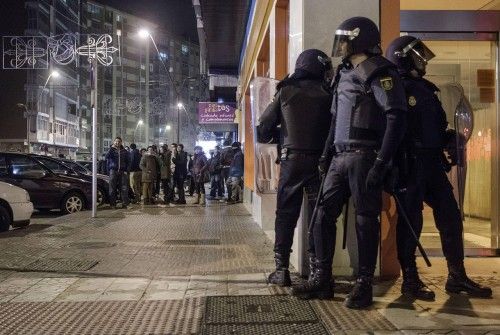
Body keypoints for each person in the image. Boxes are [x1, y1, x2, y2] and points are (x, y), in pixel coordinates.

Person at [292, 17, 407, 309]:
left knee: (366, 220)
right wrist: (325, 155)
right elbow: (335, 119)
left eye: (345, 39)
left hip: (365, 156)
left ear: (359, 39)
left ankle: (364, 284)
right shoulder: (343, 74)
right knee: (321, 215)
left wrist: (382, 161)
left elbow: (396, 117)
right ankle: (322, 279)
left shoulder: (381, 71)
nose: (340, 45)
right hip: (339, 157)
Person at [385, 36, 492, 299]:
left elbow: (435, 127)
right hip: (409, 164)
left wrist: (450, 138)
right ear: (403, 57)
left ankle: (457, 276)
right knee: (412, 222)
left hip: (432, 163)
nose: (423, 61)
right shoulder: (395, 88)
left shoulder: (427, 89)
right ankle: (410, 280)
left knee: (451, 216)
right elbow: (392, 128)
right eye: (417, 55)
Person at [256, 49, 333, 287]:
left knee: (286, 216)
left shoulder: (285, 91)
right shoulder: (329, 92)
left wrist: (283, 135)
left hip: (291, 162)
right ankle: (317, 272)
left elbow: (262, 130)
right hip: (321, 163)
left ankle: (281, 270)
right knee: (319, 218)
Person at [105, 137, 130, 209]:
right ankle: (113, 204)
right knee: (112, 188)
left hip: (122, 171)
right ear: (114, 142)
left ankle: (125, 204)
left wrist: (126, 170)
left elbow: (128, 161)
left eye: (119, 141)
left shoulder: (124, 151)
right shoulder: (111, 150)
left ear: (121, 142)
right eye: (116, 141)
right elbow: (106, 157)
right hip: (113, 170)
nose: (117, 143)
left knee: (124, 188)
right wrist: (111, 149)